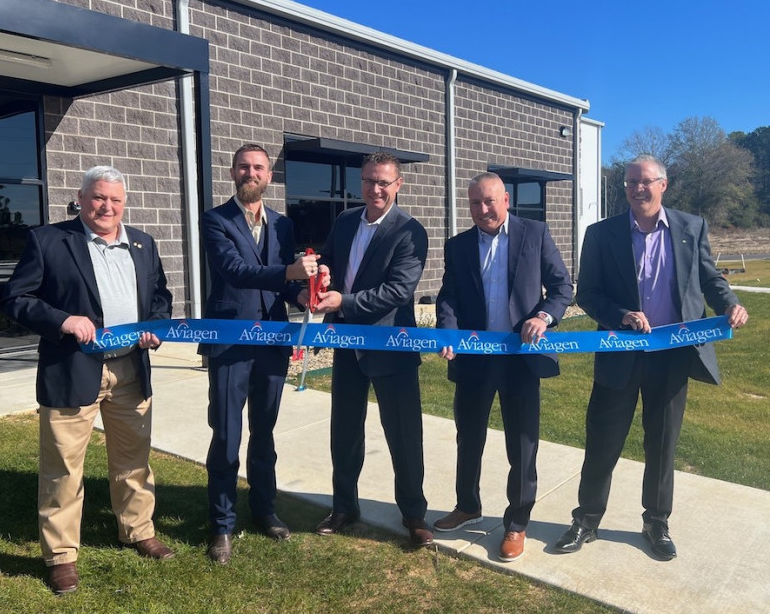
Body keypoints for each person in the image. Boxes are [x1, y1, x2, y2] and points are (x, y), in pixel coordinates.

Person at [554, 154, 749, 560]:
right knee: (602, 441)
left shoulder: (690, 228)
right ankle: (586, 520)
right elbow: (586, 293)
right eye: (629, 183)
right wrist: (620, 315)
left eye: (644, 182)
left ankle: (656, 523)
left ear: (663, 184)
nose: (637, 189)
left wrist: (729, 303)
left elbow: (710, 279)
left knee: (662, 444)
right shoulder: (601, 234)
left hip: (672, 357)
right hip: (619, 353)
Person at [1, 166, 174, 595]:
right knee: (62, 468)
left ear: (124, 202)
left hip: (131, 369)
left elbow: (160, 296)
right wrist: (62, 320)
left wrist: (156, 325)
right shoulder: (49, 240)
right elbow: (15, 298)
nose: (106, 207)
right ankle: (61, 555)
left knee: (134, 460)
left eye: (115, 200)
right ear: (80, 198)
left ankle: (137, 530)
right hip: (72, 369)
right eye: (98, 198)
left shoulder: (143, 243)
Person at [434, 172, 573, 561]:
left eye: (489, 201)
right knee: (469, 438)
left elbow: (562, 288)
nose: (482, 210)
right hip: (475, 359)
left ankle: (517, 522)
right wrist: (448, 333)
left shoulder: (535, 233)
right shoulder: (458, 245)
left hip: (520, 361)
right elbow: (449, 296)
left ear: (506, 200)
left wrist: (544, 316)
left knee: (523, 444)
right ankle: (467, 505)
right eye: (475, 203)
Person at [199, 143, 320, 564]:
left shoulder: (283, 226)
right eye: (244, 167)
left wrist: (304, 293)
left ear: (269, 176)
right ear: (233, 172)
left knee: (264, 433)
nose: (251, 173)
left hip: (272, 344)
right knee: (227, 435)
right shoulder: (215, 219)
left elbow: (284, 285)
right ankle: (222, 525)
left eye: (259, 168)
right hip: (230, 344)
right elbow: (234, 271)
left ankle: (264, 509)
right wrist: (287, 273)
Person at [311, 152, 433, 547]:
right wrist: (322, 270)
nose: (375, 189)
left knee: (404, 435)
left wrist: (342, 302)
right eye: (368, 181)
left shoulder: (410, 231)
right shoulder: (346, 220)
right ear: (359, 183)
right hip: (346, 344)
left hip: (390, 346)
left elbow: (398, 291)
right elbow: (329, 258)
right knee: (344, 430)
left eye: (383, 182)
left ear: (398, 185)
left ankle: (414, 514)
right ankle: (345, 506)